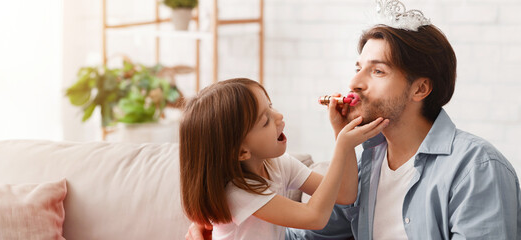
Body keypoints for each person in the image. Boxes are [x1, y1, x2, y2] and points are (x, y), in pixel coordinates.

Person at [186, 3, 521, 240]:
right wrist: (220, 228)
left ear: (420, 88)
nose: (355, 84)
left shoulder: (476, 168)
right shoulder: (370, 159)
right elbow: (310, 228)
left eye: (377, 71)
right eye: (357, 67)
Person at [179, 78, 389, 240]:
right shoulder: (237, 192)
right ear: (242, 152)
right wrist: (342, 147)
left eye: (270, 106)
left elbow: (345, 195)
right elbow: (314, 217)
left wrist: (340, 132)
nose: (279, 117)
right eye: (265, 121)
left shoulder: (277, 163)